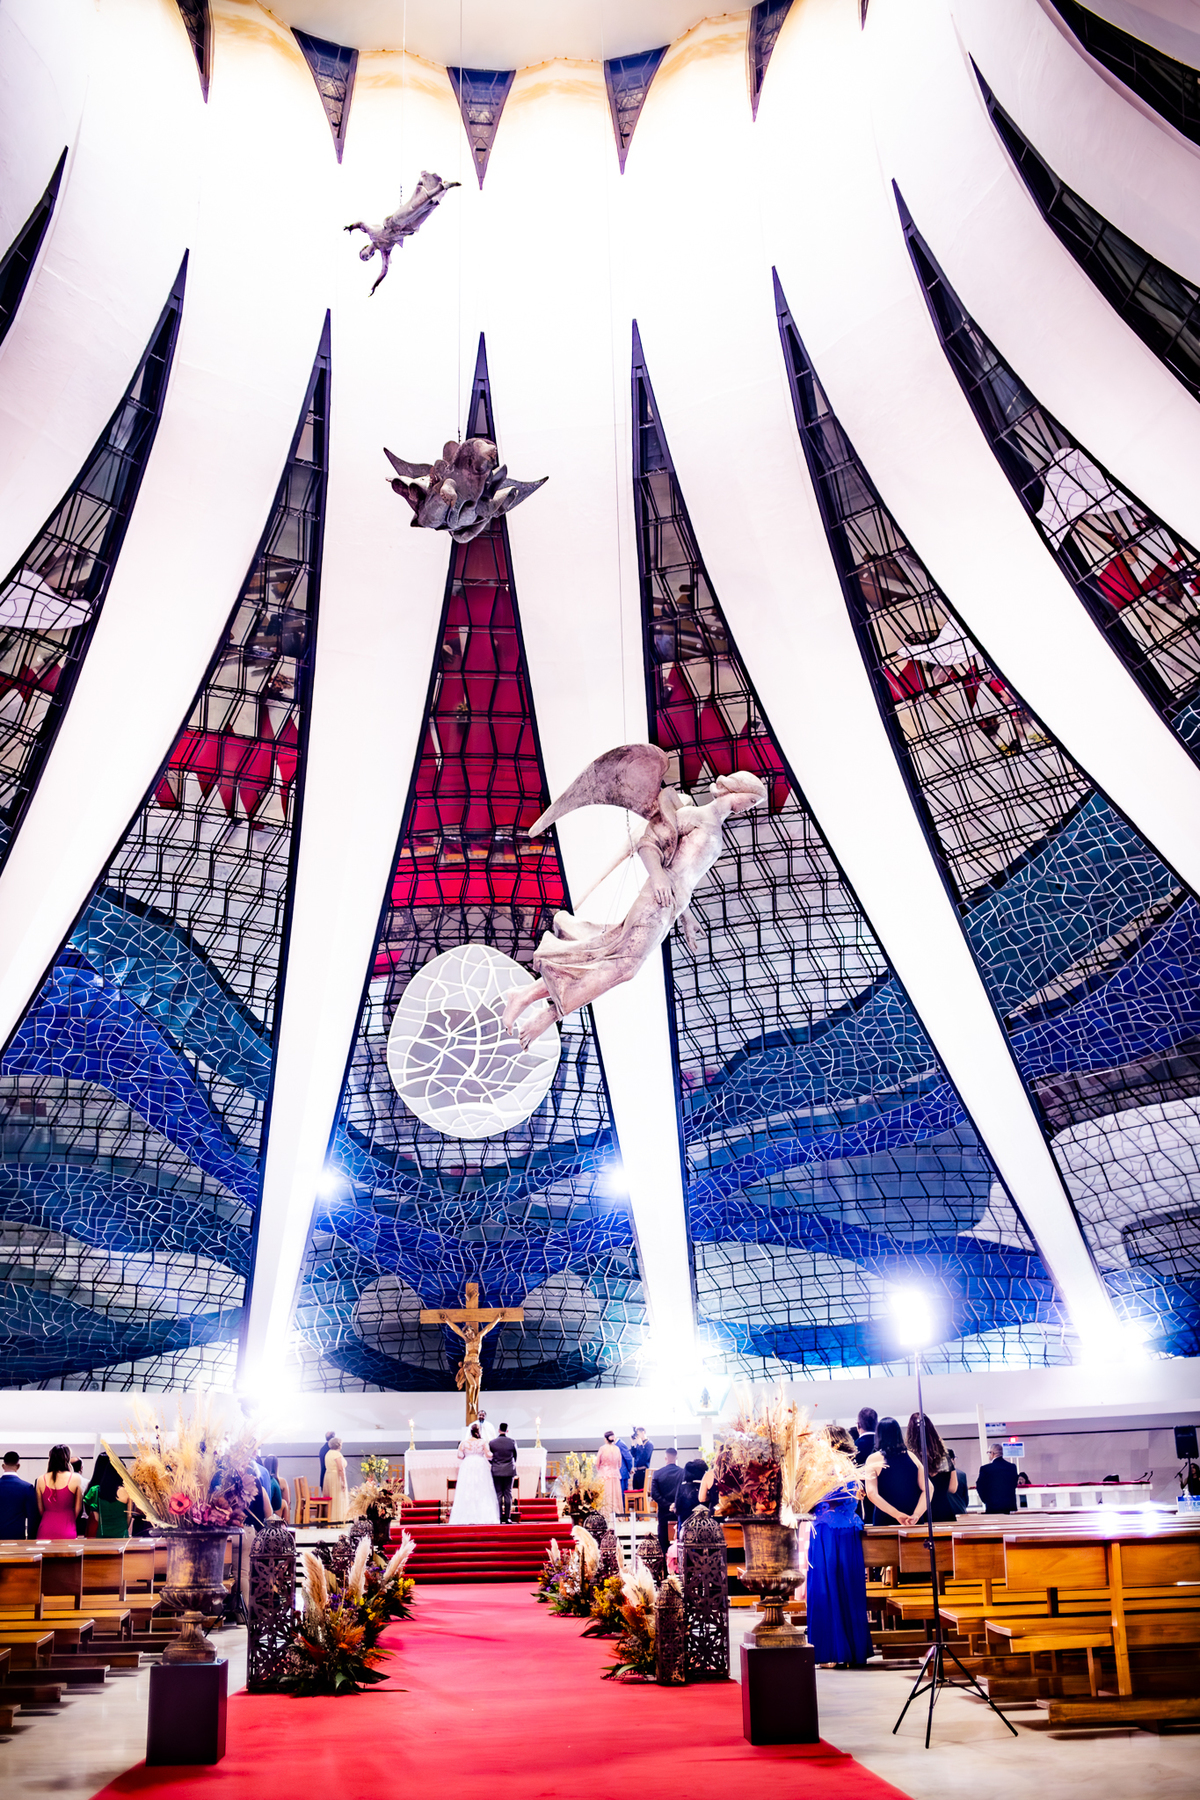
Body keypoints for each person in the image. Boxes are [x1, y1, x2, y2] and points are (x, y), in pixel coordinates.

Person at [806, 1427, 873, 1668]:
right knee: (848, 1589)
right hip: (849, 1534)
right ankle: (852, 1650)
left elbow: (818, 1500)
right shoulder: (851, 1468)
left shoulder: (827, 1468)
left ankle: (831, 1652)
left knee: (826, 1589)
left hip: (827, 1534)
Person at [862, 1417, 925, 1526]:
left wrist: (897, 1514)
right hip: (912, 1520)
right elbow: (929, 1489)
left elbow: (872, 1493)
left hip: (885, 1519)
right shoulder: (912, 1457)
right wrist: (916, 1514)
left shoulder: (873, 1459)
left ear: (878, 1435)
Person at [905, 1414, 966, 1521]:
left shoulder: (910, 1458)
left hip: (919, 1512)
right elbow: (953, 1488)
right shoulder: (945, 1457)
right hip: (944, 1511)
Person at [449, 1423, 499, 1524]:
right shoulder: (483, 1442)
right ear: (478, 1432)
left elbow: (459, 1455)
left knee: (467, 1488)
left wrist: (467, 1455)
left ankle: (466, 1515)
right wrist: (496, 1455)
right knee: (482, 1488)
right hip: (480, 1464)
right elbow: (488, 1455)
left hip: (467, 1464)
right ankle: (483, 1515)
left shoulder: (464, 1442)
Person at [36, 1445, 84, 1538]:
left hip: (45, 1528)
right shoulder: (76, 1478)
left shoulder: (41, 1479)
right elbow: (78, 1509)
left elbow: (41, 1510)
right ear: (67, 1459)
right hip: (67, 1528)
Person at [85, 1452, 127, 1537]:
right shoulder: (123, 1490)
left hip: (95, 1527)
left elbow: (87, 1510)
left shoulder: (92, 1486)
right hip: (116, 1530)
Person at [650, 1446, 684, 1554]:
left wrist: (667, 1504)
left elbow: (654, 1494)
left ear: (665, 1458)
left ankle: (665, 1568)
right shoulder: (683, 1473)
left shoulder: (657, 1473)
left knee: (663, 1543)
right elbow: (685, 1491)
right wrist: (675, 1504)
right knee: (680, 1541)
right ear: (676, 1457)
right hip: (679, 1513)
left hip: (664, 1513)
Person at [0, 1451, 38, 1538]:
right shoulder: (27, 1487)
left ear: (3, 1466)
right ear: (18, 1466)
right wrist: (31, 1539)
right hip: (17, 1536)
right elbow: (32, 1517)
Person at [975, 1442, 1020, 1514]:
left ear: (992, 1453)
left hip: (992, 1505)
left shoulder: (986, 1469)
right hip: (1008, 1505)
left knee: (993, 1524)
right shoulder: (1012, 1467)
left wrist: (986, 1500)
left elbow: (980, 1486)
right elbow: (1014, 1484)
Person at [489, 1422, 518, 1523]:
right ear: (507, 1430)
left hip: (496, 1470)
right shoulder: (512, 1442)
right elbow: (515, 1456)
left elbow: (489, 1457)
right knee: (508, 1493)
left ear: (498, 1430)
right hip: (509, 1470)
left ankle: (499, 1517)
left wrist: (495, 1463)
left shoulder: (492, 1443)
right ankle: (507, 1517)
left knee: (498, 1493)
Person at [674, 1458, 708, 1534]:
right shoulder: (703, 1486)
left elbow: (676, 1509)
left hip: (684, 1526)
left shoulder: (682, 1485)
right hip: (703, 1528)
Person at [596, 1431, 625, 1518]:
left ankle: (606, 1515)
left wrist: (600, 1470)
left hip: (605, 1475)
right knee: (615, 1495)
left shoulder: (602, 1448)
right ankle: (617, 1514)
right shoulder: (617, 1449)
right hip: (615, 1475)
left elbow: (597, 1463)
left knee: (606, 1494)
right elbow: (619, 1464)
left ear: (605, 1439)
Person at [323, 1436, 349, 1522]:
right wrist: (344, 1482)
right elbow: (341, 1469)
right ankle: (338, 1520)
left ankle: (331, 1518)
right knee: (338, 1497)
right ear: (339, 1445)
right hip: (336, 1477)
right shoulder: (337, 1454)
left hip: (328, 1476)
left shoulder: (328, 1453)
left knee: (333, 1497)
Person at [261, 1455, 289, 1522]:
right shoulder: (281, 1481)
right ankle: (285, 1525)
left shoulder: (262, 1479)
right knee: (284, 1502)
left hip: (262, 1509)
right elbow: (287, 1500)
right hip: (276, 1511)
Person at [629, 1427, 653, 1495]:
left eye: (638, 1434)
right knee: (635, 1492)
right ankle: (637, 1506)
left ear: (643, 1433)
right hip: (636, 1472)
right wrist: (633, 1443)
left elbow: (645, 1457)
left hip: (643, 1472)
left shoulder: (649, 1444)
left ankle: (642, 1506)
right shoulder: (639, 1444)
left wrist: (641, 1445)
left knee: (641, 1493)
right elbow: (634, 1455)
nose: (637, 1436)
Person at [617, 1435, 634, 1501]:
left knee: (622, 1494)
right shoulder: (616, 1444)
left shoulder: (620, 1444)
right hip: (617, 1473)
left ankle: (623, 1510)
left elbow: (628, 1457)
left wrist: (630, 1469)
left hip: (622, 1473)